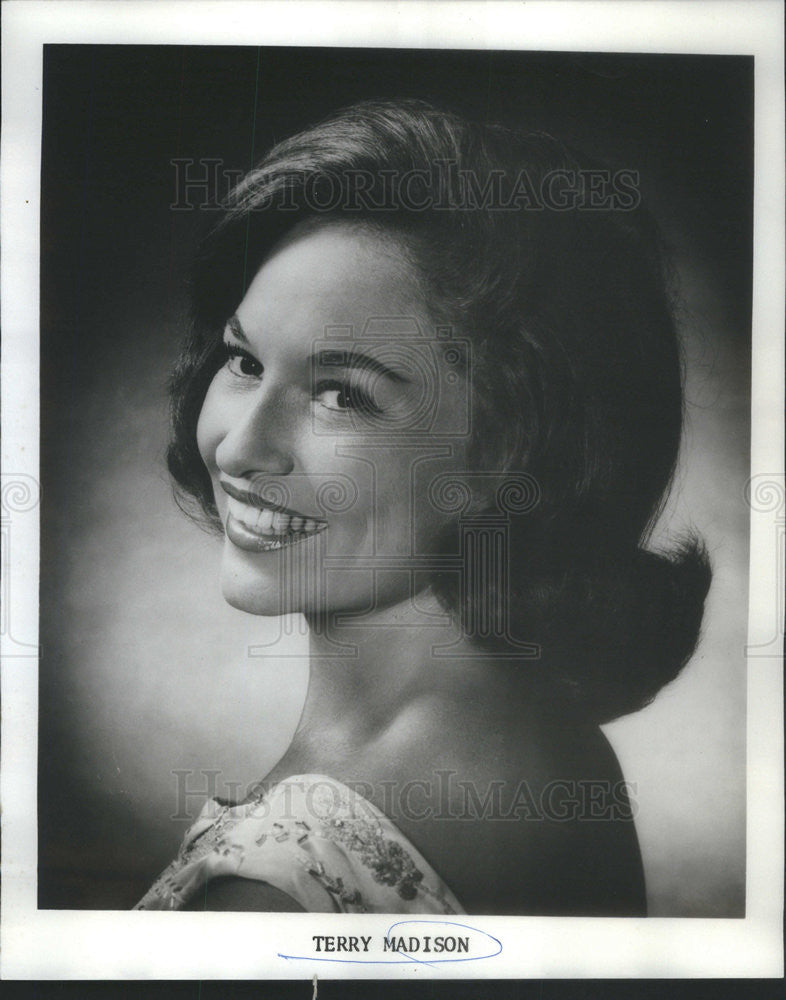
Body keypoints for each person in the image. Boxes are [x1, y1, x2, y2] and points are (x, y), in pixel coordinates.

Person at [135, 100, 711, 915]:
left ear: (513, 451)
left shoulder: (272, 887)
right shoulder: (553, 742)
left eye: (341, 394)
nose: (237, 448)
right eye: (243, 360)